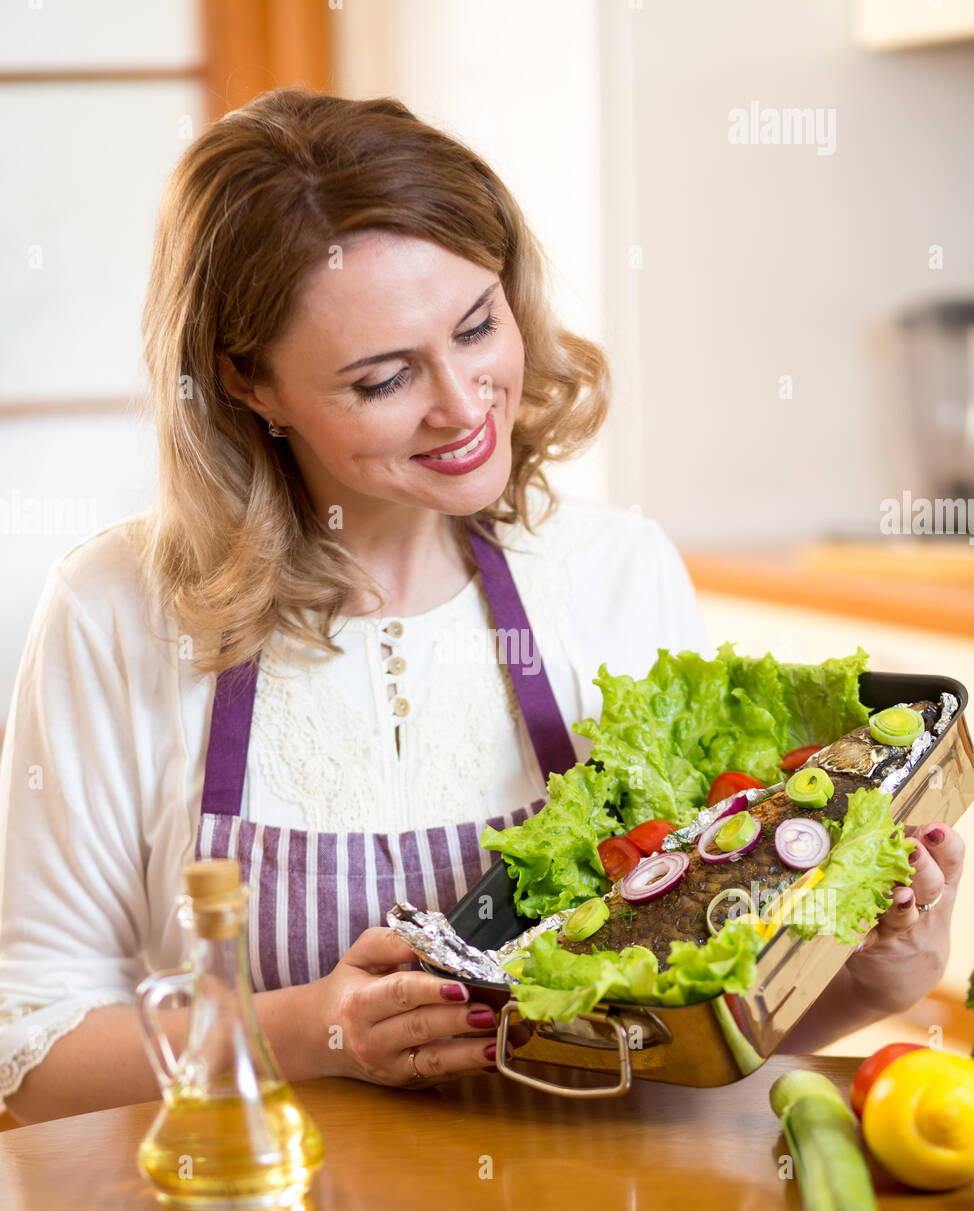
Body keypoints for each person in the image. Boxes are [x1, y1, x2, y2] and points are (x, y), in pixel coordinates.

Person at [0, 90, 963, 1124]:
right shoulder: (118, 611)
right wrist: (312, 1030)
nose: (464, 406)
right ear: (249, 385)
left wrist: (881, 968)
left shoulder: (612, 571)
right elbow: (34, 1052)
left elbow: (697, 1025)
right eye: (381, 379)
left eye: (475, 326)